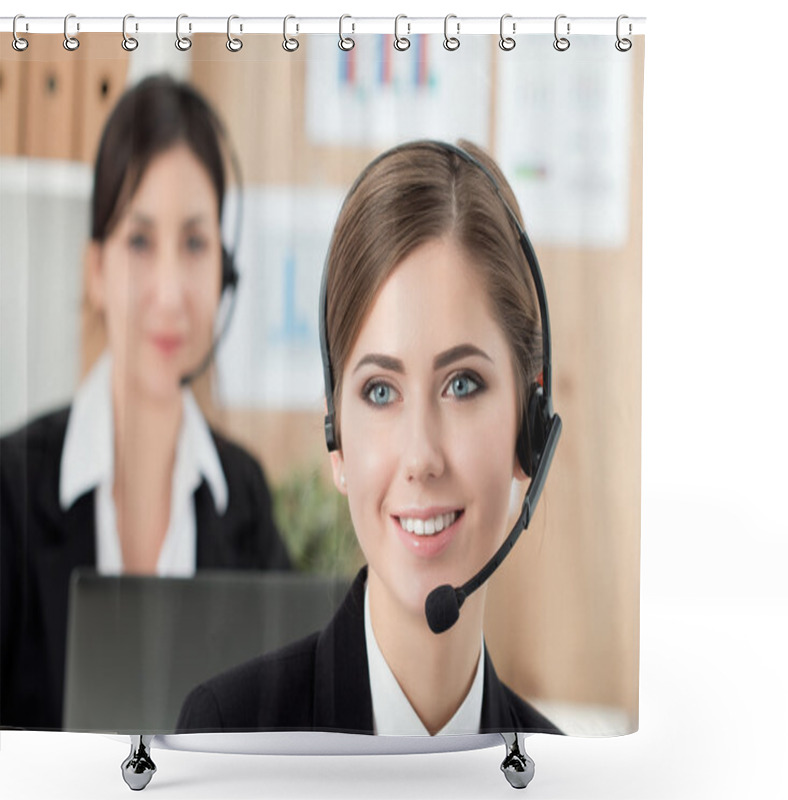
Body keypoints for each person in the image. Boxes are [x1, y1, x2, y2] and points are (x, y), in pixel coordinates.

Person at [176, 140, 560, 736]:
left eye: (462, 384)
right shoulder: (230, 736)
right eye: (380, 391)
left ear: (529, 424)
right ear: (336, 437)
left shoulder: (561, 773)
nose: (421, 457)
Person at [0, 75, 291, 731]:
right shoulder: (10, 491)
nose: (169, 291)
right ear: (96, 270)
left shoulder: (243, 498)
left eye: (194, 244)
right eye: (139, 241)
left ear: (225, 271)